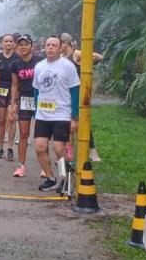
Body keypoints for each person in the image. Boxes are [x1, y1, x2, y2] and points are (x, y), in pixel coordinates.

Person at [33, 36, 81, 191]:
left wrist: (74, 116)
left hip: (61, 114)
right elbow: (36, 90)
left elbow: (74, 91)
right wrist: (36, 109)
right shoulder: (39, 66)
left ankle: (66, 180)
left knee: (59, 149)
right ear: (44, 47)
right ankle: (50, 178)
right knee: (40, 147)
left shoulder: (67, 66)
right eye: (48, 45)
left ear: (60, 48)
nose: (50, 48)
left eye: (54, 45)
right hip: (43, 114)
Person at [60, 32, 103, 162]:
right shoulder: (61, 56)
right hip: (65, 93)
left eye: (60, 42)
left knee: (82, 123)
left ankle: (92, 150)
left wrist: (88, 59)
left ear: (66, 43)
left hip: (79, 92)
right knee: (68, 125)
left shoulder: (76, 54)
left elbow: (99, 57)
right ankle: (69, 153)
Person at [9, 35, 42, 178]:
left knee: (42, 135)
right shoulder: (15, 65)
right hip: (24, 100)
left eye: (26, 44)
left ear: (31, 46)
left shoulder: (40, 62)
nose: (23, 47)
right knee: (23, 134)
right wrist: (12, 104)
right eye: (20, 44)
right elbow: (15, 85)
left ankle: (44, 167)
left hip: (40, 99)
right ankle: (21, 166)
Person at [0, 33, 18, 162]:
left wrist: (17, 92)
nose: (8, 43)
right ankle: (0, 147)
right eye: (6, 41)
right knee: (1, 121)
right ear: (2, 43)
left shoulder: (17, 58)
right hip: (0, 91)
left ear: (14, 44)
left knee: (12, 119)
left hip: (13, 90)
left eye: (10, 41)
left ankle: (10, 148)